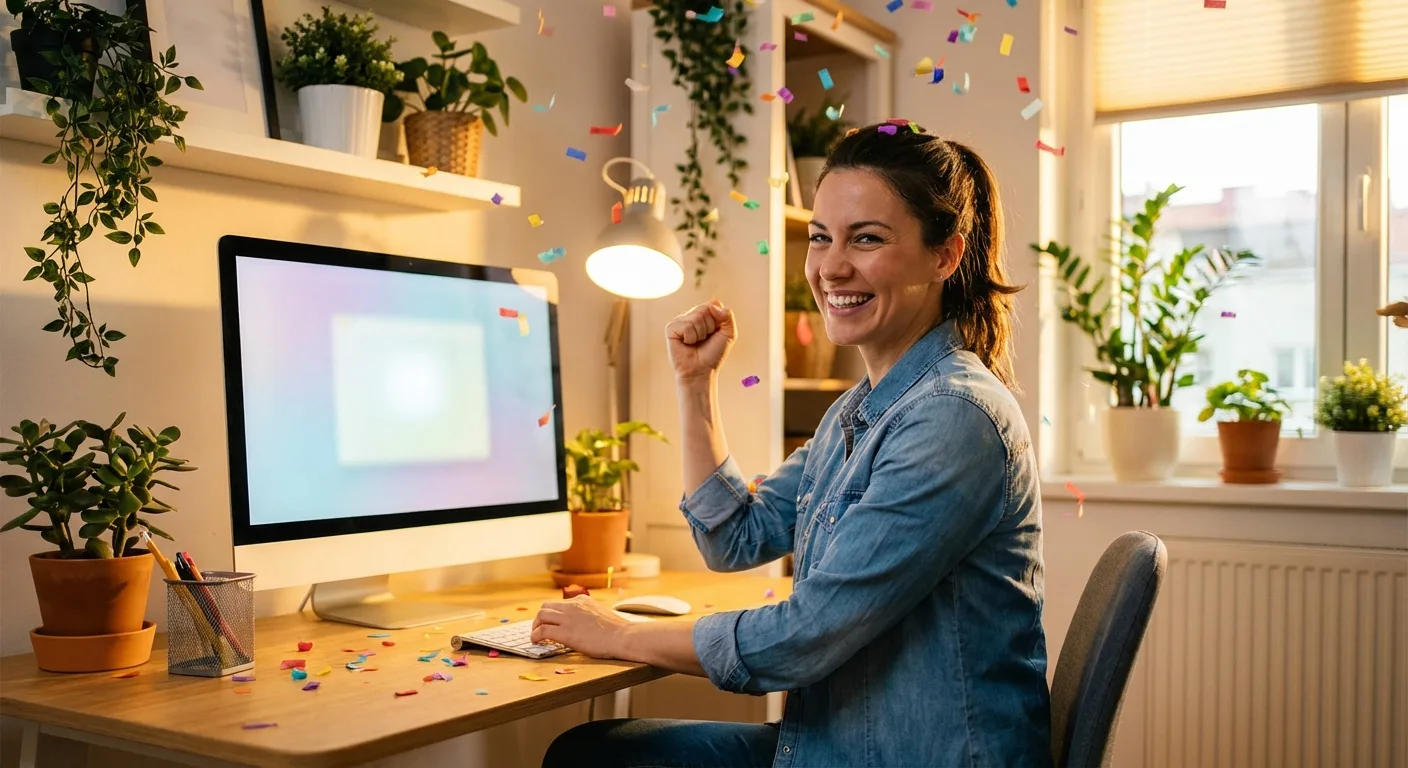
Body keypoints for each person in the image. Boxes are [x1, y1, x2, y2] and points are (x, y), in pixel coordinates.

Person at [536, 122, 1052, 768]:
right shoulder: (858, 412)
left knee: (593, 761)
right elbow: (735, 539)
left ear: (944, 255)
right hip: (837, 745)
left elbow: (805, 635)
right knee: (595, 753)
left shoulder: (954, 419)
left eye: (867, 239)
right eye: (819, 238)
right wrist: (696, 384)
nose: (831, 267)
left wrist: (622, 635)